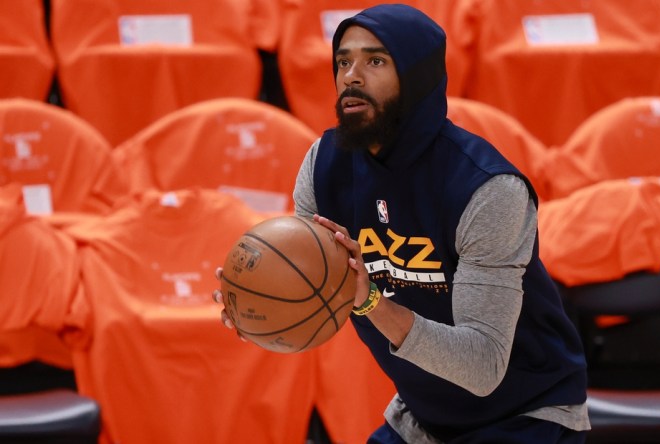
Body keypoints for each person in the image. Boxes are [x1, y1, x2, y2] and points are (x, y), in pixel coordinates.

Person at [215, 4, 590, 443]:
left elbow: (483, 366)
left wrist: (371, 302)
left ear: (417, 77)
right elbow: (313, 291)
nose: (351, 76)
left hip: (525, 415)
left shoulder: (487, 189)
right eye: (343, 61)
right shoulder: (324, 165)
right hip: (424, 414)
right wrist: (261, 304)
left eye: (375, 61)